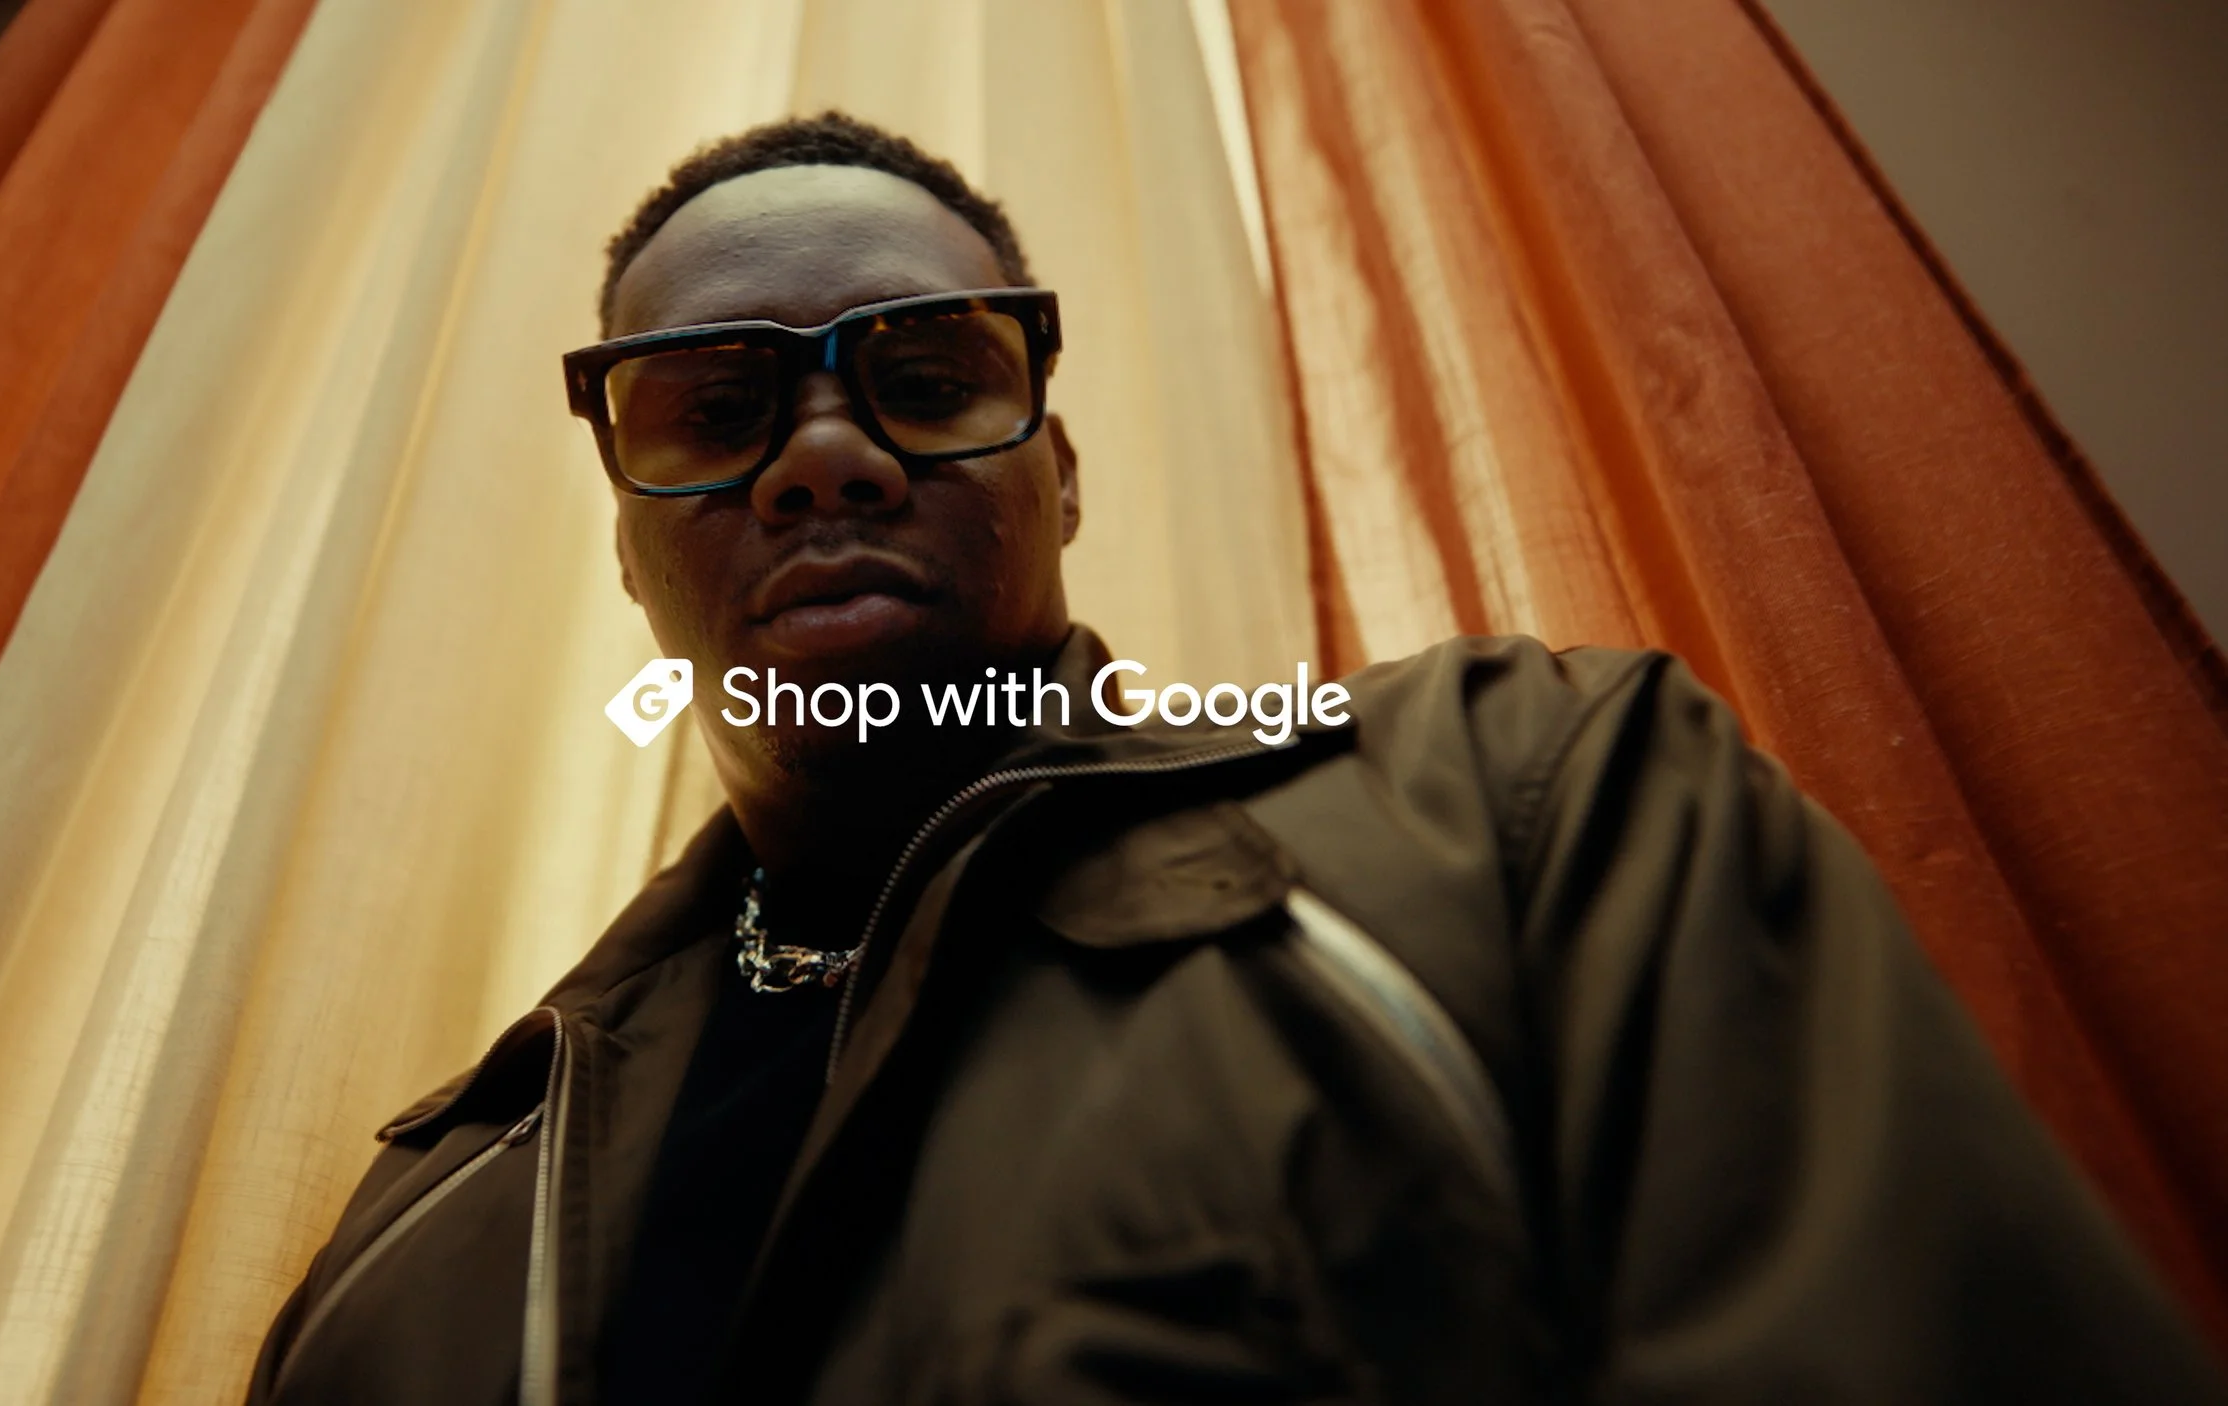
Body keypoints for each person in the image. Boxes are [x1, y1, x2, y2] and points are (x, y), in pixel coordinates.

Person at [246, 112, 2224, 1406]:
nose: (825, 454)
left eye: (926, 377)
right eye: (711, 405)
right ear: (629, 543)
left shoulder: (1524, 803)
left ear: (1062, 472)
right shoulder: (416, 1241)